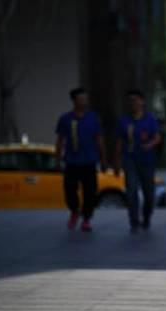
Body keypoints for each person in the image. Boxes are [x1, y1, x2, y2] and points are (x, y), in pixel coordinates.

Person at [55, 87, 106, 232]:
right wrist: (58, 160)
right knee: (70, 190)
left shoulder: (93, 118)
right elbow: (60, 141)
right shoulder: (65, 119)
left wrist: (103, 160)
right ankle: (74, 211)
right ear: (74, 101)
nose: (84, 102)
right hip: (71, 161)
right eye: (81, 99)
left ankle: (86, 219)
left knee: (90, 192)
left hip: (89, 161)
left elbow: (99, 140)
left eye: (85, 99)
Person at [115, 89, 161, 232]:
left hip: (147, 161)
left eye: (135, 100)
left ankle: (146, 217)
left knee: (149, 193)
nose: (133, 103)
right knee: (131, 190)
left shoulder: (150, 119)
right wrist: (116, 163)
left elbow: (157, 137)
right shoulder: (124, 121)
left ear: (142, 102)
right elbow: (119, 143)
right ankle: (134, 221)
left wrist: (150, 144)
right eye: (130, 100)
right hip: (129, 160)